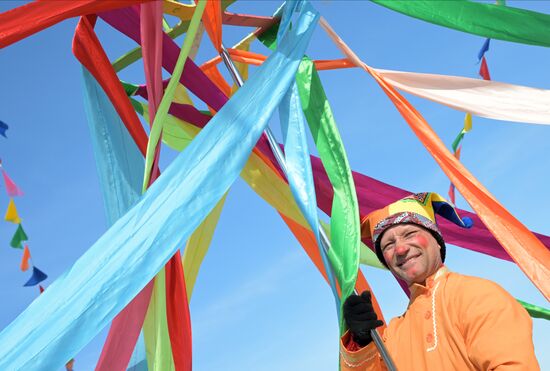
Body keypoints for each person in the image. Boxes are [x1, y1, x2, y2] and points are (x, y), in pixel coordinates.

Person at [340, 192, 540, 370]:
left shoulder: (478, 295)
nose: (400, 250)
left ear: (436, 239)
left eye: (410, 234)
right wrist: (362, 344)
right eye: (388, 245)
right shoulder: (392, 335)